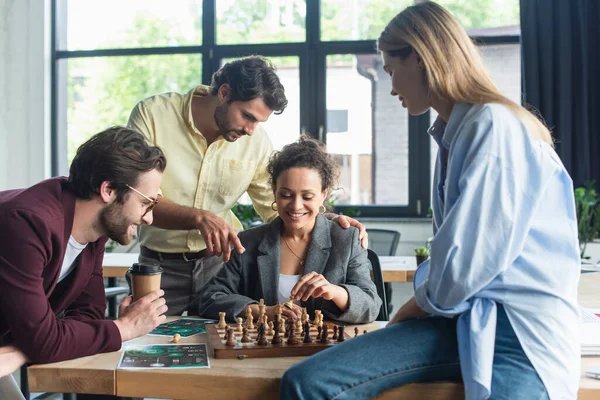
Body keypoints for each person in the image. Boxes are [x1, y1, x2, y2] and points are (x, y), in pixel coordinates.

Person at [280, 2, 580, 399]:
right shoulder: (455, 134)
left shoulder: (492, 127)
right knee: (305, 382)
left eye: (390, 70)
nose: (390, 86)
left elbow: (465, 265)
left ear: (420, 59)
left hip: (518, 332)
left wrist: (413, 307)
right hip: (460, 321)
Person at [128, 55, 368, 316]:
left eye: (259, 122)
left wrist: (328, 219)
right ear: (224, 92)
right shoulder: (152, 115)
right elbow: (137, 198)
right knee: (152, 346)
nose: (251, 130)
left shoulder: (256, 141)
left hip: (221, 265)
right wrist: (199, 218)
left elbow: (277, 205)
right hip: (160, 266)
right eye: (247, 116)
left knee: (220, 348)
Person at [0, 127, 169, 399]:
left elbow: (88, 314)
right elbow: (45, 342)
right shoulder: (29, 223)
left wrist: (26, 347)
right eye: (146, 203)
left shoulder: (94, 232)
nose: (148, 218)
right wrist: (123, 328)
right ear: (108, 189)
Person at [198, 136, 381, 324]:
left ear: (323, 195)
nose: (296, 206)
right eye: (286, 195)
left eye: (307, 196)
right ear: (274, 192)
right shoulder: (249, 241)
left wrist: (335, 292)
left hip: (328, 348)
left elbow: (371, 305)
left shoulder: (346, 239)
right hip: (263, 349)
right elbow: (210, 298)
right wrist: (263, 311)